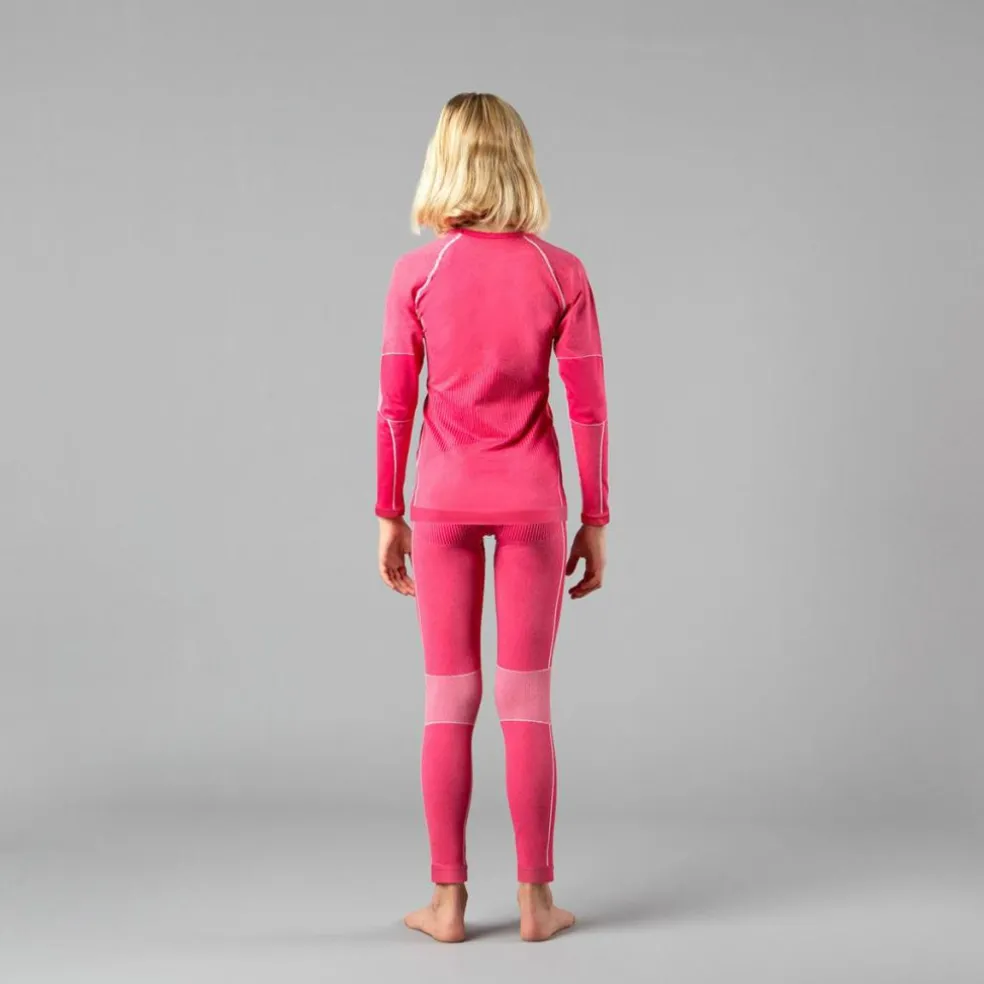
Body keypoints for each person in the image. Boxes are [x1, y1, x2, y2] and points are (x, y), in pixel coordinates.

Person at [375, 92, 609, 943]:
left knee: (450, 695)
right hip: (534, 502)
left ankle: (447, 904)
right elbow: (588, 408)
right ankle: (537, 904)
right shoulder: (560, 271)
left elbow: (394, 405)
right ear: (519, 161)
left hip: (441, 499)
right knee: (524, 696)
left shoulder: (418, 272)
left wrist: (388, 512)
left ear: (444, 162)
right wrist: (597, 516)